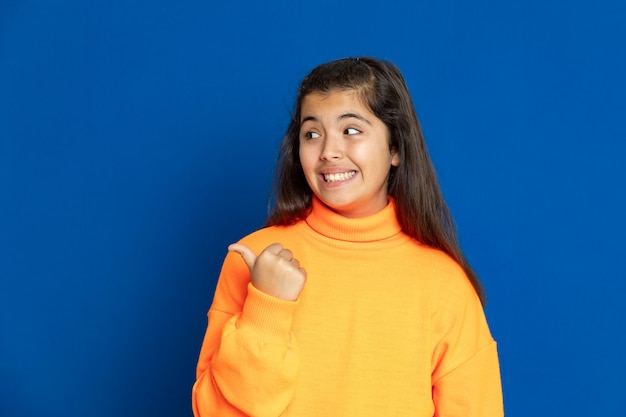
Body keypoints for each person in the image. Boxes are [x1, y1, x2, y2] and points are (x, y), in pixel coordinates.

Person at [192, 57, 503, 417]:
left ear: (396, 149)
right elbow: (212, 411)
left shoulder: (444, 283)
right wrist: (266, 310)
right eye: (312, 134)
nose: (328, 152)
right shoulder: (255, 259)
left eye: (351, 130)